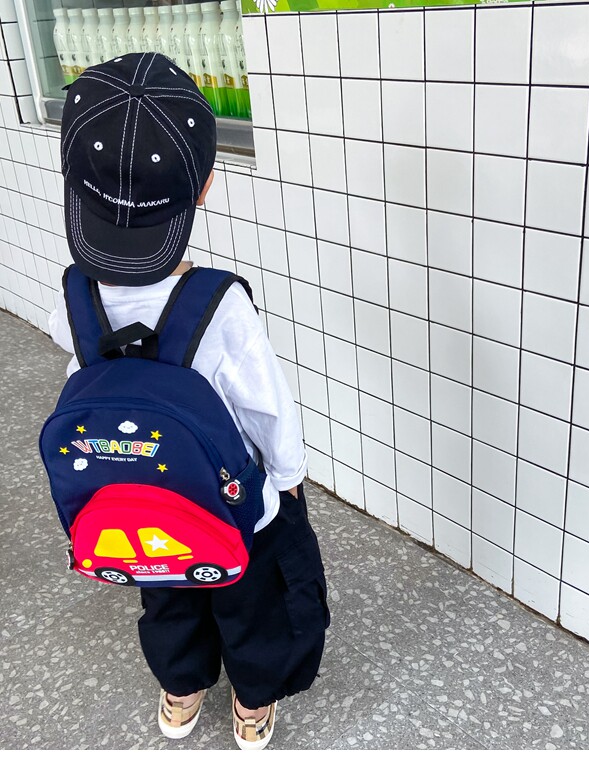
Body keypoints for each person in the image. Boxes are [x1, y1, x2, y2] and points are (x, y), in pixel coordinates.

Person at [46, 52, 330, 750]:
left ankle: (181, 690)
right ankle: (253, 701)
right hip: (229, 504)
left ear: (74, 188)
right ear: (203, 187)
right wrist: (288, 479)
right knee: (252, 602)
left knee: (166, 595)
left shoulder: (74, 296)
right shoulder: (218, 305)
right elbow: (267, 409)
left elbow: (79, 371)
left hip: (137, 501)